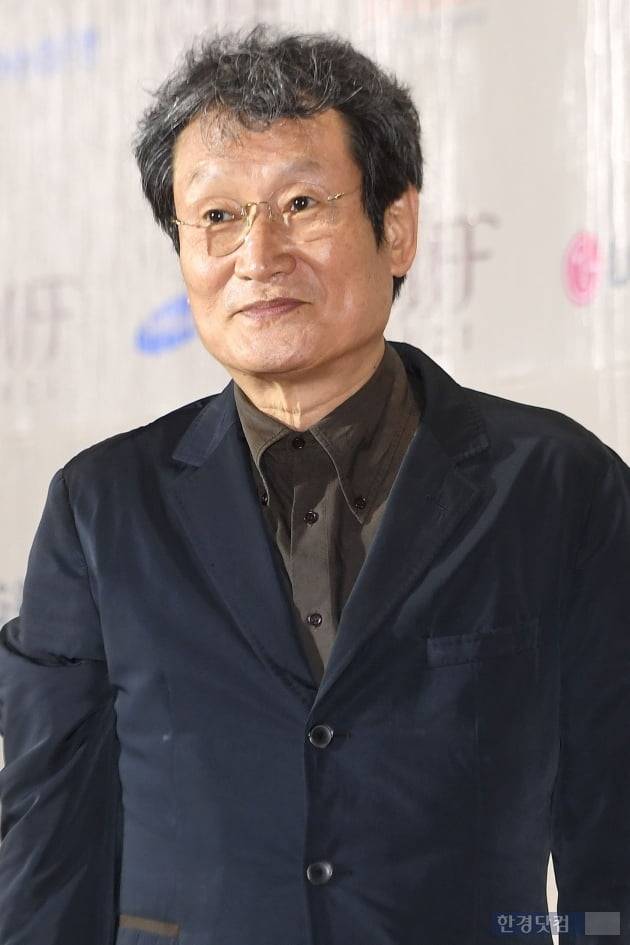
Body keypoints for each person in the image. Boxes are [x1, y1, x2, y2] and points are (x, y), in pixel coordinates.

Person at [0, 23, 628, 945]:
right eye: (218, 217)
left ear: (396, 227)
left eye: (301, 203)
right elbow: (49, 857)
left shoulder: (556, 487)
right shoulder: (103, 509)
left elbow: (613, 841)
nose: (258, 256)